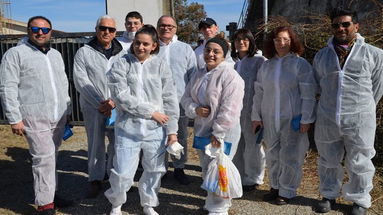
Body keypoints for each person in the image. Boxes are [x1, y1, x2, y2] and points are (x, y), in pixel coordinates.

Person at [313, 7, 383, 215]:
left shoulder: (374, 54)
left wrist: (364, 108)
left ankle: (360, 199)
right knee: (327, 159)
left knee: (360, 160)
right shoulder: (322, 56)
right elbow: (318, 85)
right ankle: (329, 195)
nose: (341, 28)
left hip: (360, 118)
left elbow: (377, 87)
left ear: (356, 26)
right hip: (327, 117)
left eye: (345, 24)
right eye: (336, 25)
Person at [0, 16, 73, 215]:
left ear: (51, 31)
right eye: (35, 28)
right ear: (28, 30)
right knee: (43, 159)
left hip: (57, 116)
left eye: (45, 29)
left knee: (52, 157)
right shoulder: (15, 54)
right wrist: (14, 118)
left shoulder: (55, 55)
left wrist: (67, 109)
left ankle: (51, 194)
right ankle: (44, 205)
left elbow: (63, 83)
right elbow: (7, 87)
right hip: (34, 115)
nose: (40, 33)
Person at [104, 25, 179, 215]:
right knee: (122, 170)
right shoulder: (122, 63)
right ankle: (117, 203)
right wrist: (150, 112)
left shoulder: (161, 65)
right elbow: (121, 96)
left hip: (155, 129)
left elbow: (169, 98)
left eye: (146, 44)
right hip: (128, 128)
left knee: (154, 169)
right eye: (138, 43)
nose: (141, 47)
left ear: (154, 46)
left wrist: (172, 131)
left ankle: (148, 203)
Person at [251, 26, 316, 205]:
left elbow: (308, 94)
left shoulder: (299, 64)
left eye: (285, 39)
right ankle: (275, 186)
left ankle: (287, 191)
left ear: (292, 41)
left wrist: (306, 119)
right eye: (278, 39)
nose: (281, 43)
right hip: (270, 119)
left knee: (291, 156)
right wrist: (256, 116)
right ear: (272, 42)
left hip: (292, 119)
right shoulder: (267, 65)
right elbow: (259, 92)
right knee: (272, 154)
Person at [181, 37, 244, 215]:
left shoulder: (230, 76)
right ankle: (213, 202)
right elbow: (185, 98)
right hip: (202, 129)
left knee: (220, 168)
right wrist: (194, 109)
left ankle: (219, 209)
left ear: (224, 55)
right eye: (208, 50)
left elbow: (230, 108)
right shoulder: (199, 74)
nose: (210, 54)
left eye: (216, 51)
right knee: (207, 167)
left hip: (223, 132)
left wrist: (218, 132)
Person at [73, 15, 125, 198]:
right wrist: (100, 103)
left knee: (117, 144)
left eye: (111, 29)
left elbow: (127, 80)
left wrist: (114, 102)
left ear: (115, 32)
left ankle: (114, 179)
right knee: (96, 143)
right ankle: (95, 179)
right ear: (96, 29)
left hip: (117, 107)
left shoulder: (123, 53)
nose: (107, 32)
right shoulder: (84, 52)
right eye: (103, 28)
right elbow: (81, 81)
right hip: (93, 107)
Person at [156, 15, 197, 185]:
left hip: (179, 100)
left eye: (170, 26)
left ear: (175, 29)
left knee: (180, 135)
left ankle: (179, 167)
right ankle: (161, 168)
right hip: (156, 101)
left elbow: (193, 75)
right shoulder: (151, 47)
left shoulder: (185, 49)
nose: (166, 28)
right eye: (163, 25)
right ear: (158, 27)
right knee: (159, 135)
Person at [231, 28, 266, 192]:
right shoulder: (236, 64)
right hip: (237, 112)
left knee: (253, 146)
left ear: (251, 41)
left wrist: (258, 113)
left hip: (253, 112)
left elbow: (262, 89)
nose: (241, 42)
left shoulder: (259, 61)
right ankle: (239, 174)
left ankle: (254, 177)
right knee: (238, 144)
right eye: (238, 40)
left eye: (245, 39)